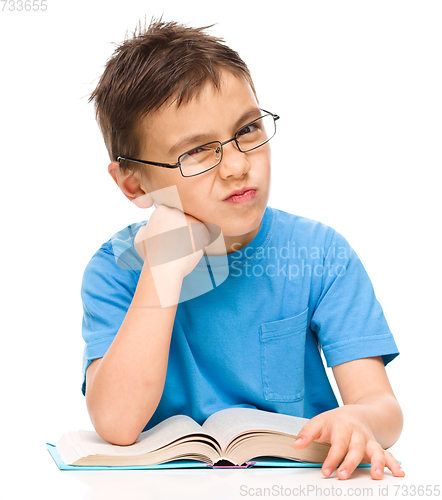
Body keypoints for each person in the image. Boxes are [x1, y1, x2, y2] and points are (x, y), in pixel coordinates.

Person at [82, 18, 405, 481]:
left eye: (248, 129)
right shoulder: (114, 270)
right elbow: (115, 423)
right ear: (133, 182)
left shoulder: (320, 254)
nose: (236, 165)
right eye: (196, 151)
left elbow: (384, 408)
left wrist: (361, 419)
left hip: (306, 482)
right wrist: (161, 271)